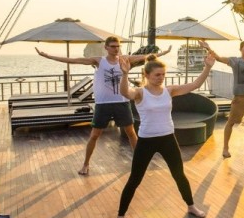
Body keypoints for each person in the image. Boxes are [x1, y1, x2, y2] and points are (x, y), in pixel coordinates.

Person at [35, 37, 171, 176]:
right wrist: (48, 56)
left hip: (122, 102)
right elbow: (73, 60)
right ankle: (86, 164)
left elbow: (147, 57)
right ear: (106, 47)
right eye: (112, 46)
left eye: (117, 46)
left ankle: (139, 163)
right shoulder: (99, 61)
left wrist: (164, 53)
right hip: (103, 104)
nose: (116, 49)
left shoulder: (125, 59)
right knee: (94, 135)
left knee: (131, 134)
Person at [110, 52, 215, 218]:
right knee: (134, 180)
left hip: (168, 138)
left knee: (179, 175)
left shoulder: (169, 91)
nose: (161, 78)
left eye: (163, 75)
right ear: (147, 75)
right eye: (157, 75)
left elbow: (195, 84)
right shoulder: (140, 93)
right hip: (146, 140)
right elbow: (125, 92)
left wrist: (207, 67)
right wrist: (125, 74)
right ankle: (120, 217)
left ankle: (191, 206)